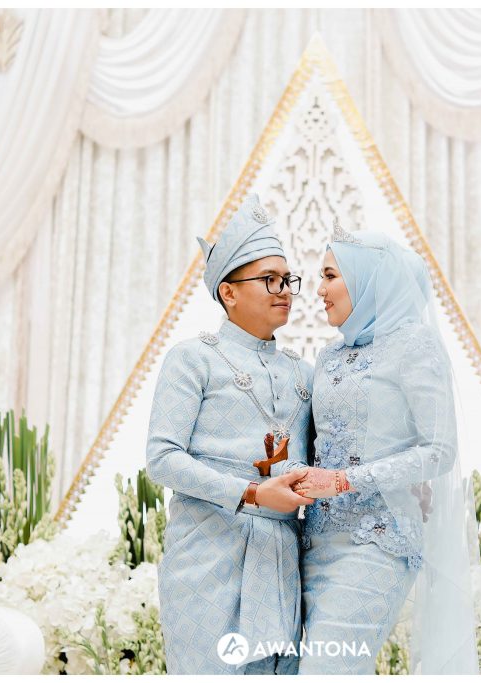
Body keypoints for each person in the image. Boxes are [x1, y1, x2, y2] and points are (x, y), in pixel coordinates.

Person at [291, 222, 480, 674]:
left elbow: (440, 449)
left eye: (330, 275)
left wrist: (346, 481)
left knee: (326, 672)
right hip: (315, 543)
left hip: (377, 541)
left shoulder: (414, 344)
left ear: (367, 278)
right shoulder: (328, 357)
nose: (319, 290)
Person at [145, 193, 316, 674]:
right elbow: (163, 459)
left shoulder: (304, 374)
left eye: (288, 280)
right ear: (228, 292)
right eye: (269, 279)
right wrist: (253, 494)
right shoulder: (192, 359)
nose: (284, 291)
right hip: (208, 558)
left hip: (280, 559)